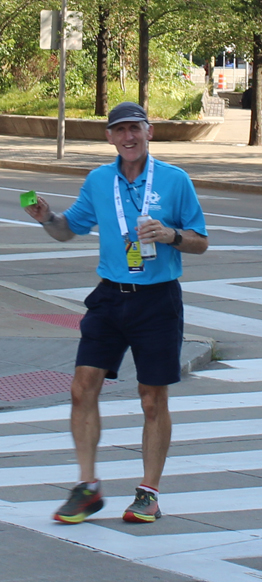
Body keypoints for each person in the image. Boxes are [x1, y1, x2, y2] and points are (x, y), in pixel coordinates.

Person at [24, 102, 209, 524]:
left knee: (151, 398)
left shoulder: (174, 180)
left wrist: (172, 234)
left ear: (149, 132)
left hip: (157, 299)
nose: (128, 137)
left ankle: (148, 493)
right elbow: (68, 230)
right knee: (81, 386)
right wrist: (46, 217)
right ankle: (87, 488)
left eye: (135, 129)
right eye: (120, 130)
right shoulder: (98, 180)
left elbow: (200, 241)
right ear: (109, 137)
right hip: (109, 296)